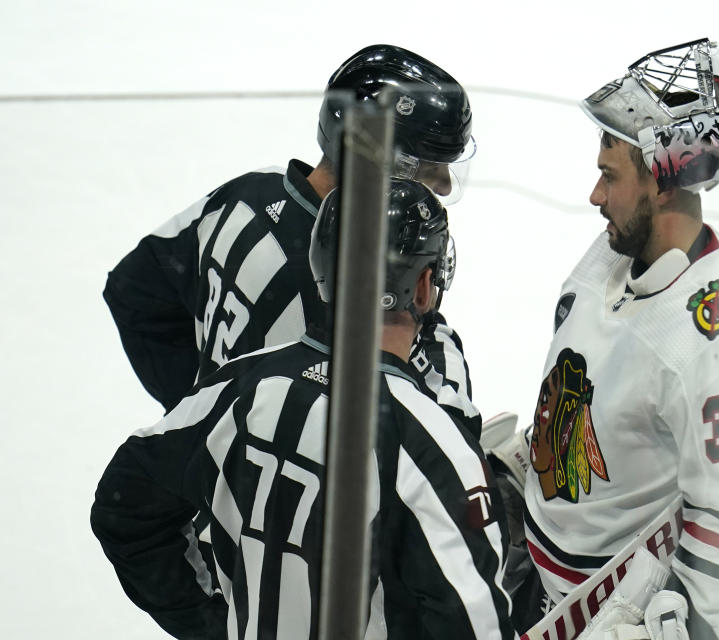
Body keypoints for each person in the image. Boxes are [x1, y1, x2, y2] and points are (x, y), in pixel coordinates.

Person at [487, 39, 719, 639]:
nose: (595, 197)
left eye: (609, 176)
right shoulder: (613, 254)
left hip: (597, 615)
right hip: (533, 584)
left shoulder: (707, 345)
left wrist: (660, 626)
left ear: (665, 182)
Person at [90, 179, 514, 640]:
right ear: (426, 286)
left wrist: (212, 626)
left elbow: (124, 508)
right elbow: (477, 627)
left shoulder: (239, 388)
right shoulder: (432, 445)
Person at [102, 44, 481, 437]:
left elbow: (133, 291)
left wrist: (197, 416)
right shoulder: (352, 283)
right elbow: (434, 437)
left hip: (222, 476)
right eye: (429, 166)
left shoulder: (244, 194)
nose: (444, 184)